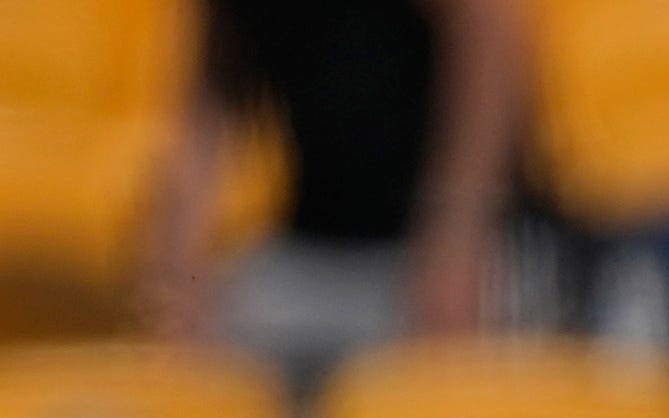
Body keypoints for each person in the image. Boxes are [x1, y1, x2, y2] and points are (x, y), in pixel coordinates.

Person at [138, 0, 556, 386]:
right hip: (312, 246)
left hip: (452, 244)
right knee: (211, 371)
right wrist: (181, 272)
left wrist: (456, 240)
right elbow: (212, 92)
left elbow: (491, 42)